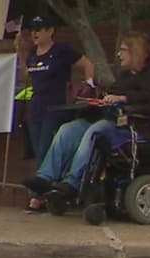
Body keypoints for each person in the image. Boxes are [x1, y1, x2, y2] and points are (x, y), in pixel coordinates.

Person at [26, 32, 150, 203]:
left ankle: (72, 182)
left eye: (123, 50)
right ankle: (45, 177)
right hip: (112, 120)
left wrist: (124, 99)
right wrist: (101, 99)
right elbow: (113, 93)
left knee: (96, 131)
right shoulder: (125, 76)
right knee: (69, 129)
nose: (119, 54)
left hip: (137, 126)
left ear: (136, 52)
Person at [15, 15, 95, 212]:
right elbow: (27, 74)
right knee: (37, 150)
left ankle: (39, 196)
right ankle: (44, 192)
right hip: (36, 108)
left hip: (55, 107)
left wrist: (89, 83)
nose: (35, 33)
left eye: (40, 29)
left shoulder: (62, 51)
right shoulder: (34, 53)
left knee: (45, 148)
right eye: (33, 29)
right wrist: (21, 52)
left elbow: (87, 64)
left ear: (50, 31)